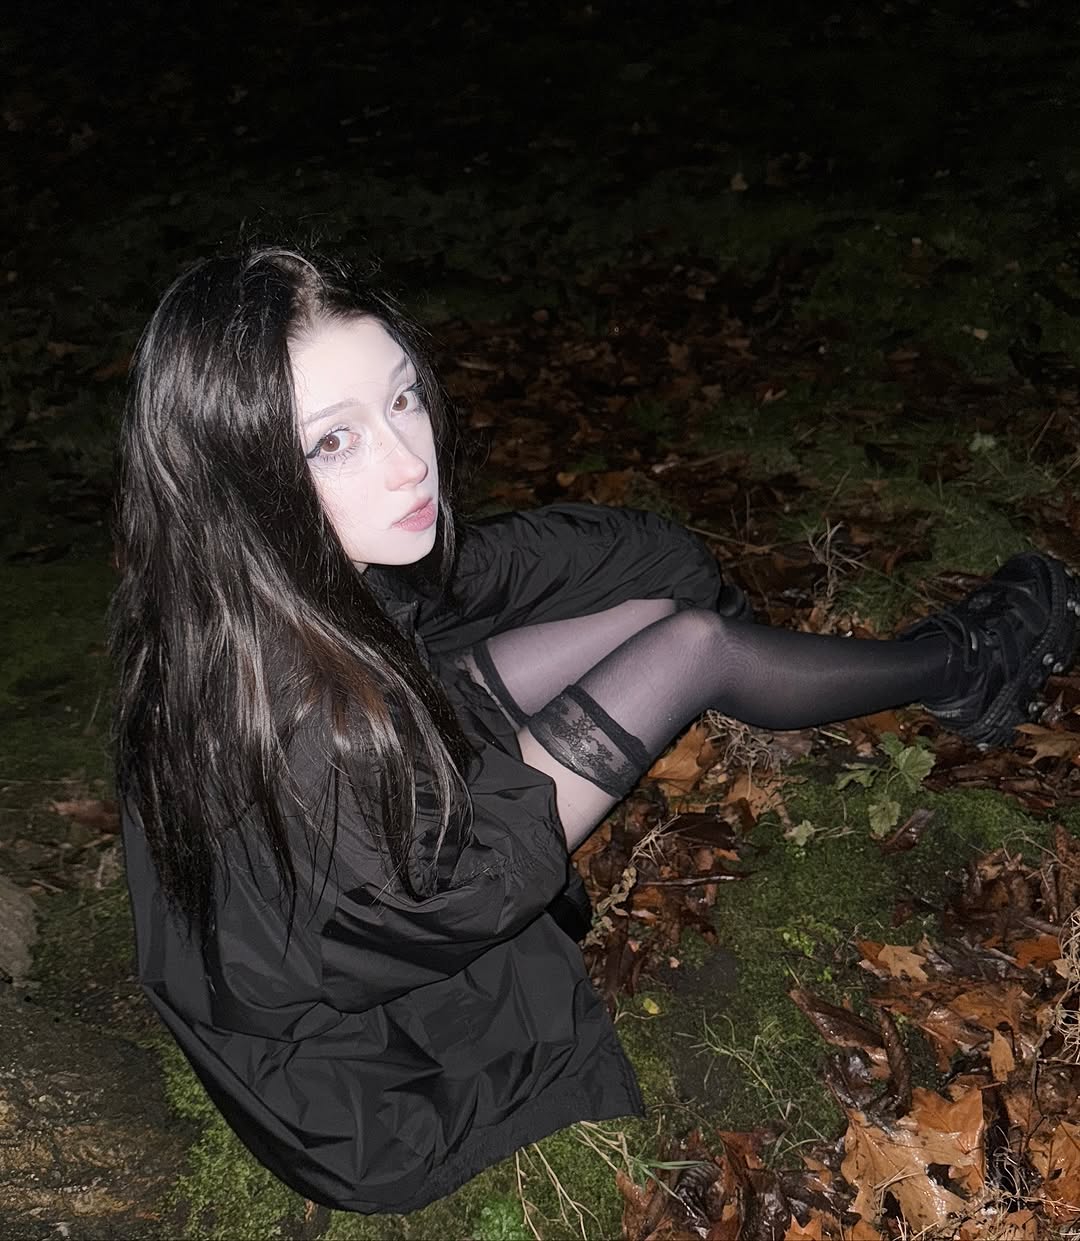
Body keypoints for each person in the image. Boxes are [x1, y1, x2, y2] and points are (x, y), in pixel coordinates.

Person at [112, 242, 1080, 1216]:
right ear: (241, 472)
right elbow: (442, 902)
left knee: (653, 616)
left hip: (355, 847)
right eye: (333, 441)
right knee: (694, 647)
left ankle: (822, 662)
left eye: (402, 397)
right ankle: (962, 665)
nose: (409, 461)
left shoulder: (232, 598)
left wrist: (659, 581)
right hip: (369, 1064)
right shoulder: (298, 707)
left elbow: (469, 613)